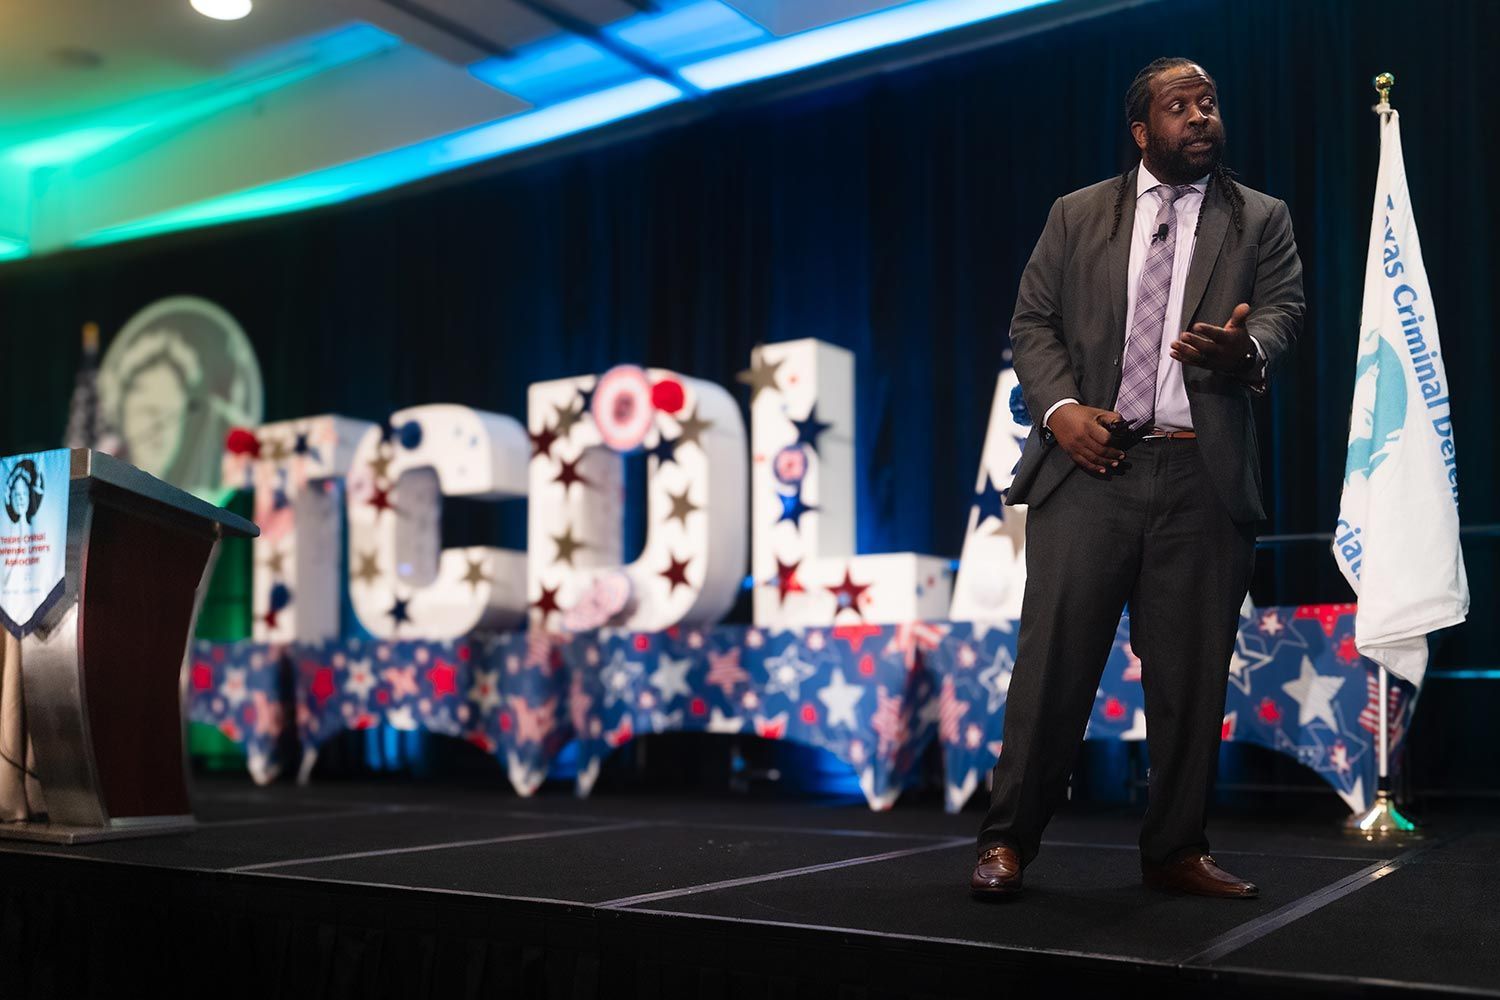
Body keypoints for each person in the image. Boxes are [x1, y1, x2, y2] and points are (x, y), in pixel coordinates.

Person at [969, 57, 1304, 899]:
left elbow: (1283, 312)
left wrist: (1247, 349)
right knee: (1054, 668)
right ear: (1141, 128)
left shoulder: (1259, 217)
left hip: (1201, 476)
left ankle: (1175, 851)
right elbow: (1032, 322)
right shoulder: (1077, 214)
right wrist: (1060, 413)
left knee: (1190, 678)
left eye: (1210, 103)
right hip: (1092, 468)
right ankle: (1007, 841)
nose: (1200, 117)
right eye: (1179, 105)